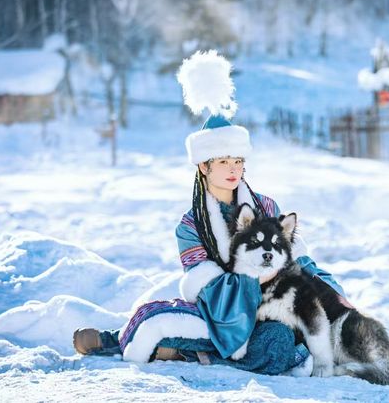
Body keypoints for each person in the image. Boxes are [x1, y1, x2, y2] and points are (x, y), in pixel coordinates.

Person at [73, 51, 346, 376]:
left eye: (238, 161)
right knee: (275, 346)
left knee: (287, 335)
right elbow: (209, 287)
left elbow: (298, 260)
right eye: (223, 162)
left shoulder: (267, 207)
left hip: (275, 306)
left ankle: (186, 352)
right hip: (222, 313)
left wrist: (330, 292)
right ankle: (142, 343)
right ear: (204, 166)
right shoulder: (191, 225)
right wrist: (254, 278)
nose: (234, 170)